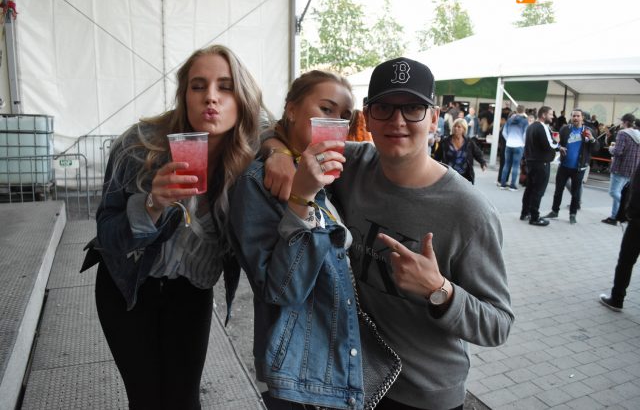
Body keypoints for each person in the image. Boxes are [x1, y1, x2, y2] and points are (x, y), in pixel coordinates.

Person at [262, 57, 514, 410]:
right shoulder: (353, 165)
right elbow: (284, 132)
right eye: (384, 108)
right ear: (367, 117)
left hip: (423, 395)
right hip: (352, 380)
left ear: (434, 118)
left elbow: (498, 324)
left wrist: (439, 290)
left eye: (413, 108)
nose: (397, 121)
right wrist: (276, 151)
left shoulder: (470, 212)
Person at [86, 45, 262, 409]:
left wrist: (280, 156)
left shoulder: (251, 155)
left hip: (191, 290)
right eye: (198, 86)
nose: (211, 97)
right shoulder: (139, 146)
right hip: (129, 284)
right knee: (146, 400)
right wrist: (152, 204)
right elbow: (108, 235)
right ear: (184, 95)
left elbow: (284, 128)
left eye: (225, 86)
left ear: (242, 98)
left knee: (184, 400)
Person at [229, 70, 370, 409]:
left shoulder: (328, 171)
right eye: (326, 109)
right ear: (291, 109)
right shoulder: (257, 183)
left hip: (337, 356)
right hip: (299, 371)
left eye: (344, 116)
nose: (335, 123)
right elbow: (280, 291)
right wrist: (301, 198)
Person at [543, 109, 599, 224]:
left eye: (578, 116)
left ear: (582, 118)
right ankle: (554, 211)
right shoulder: (565, 129)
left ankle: (573, 214)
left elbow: (596, 149)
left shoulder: (589, 131)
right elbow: (558, 143)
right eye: (574, 116)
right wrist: (559, 147)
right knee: (558, 190)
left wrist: (592, 139)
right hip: (564, 166)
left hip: (579, 167)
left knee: (575, 193)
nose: (576, 118)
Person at [599, 163, 640, 311]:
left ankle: (617, 298)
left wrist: (630, 214)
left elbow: (636, 190)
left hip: (637, 222)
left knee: (626, 260)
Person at [520, 106, 558, 226]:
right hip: (541, 163)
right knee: (538, 191)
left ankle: (525, 213)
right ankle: (534, 217)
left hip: (531, 162)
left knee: (530, 189)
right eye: (550, 114)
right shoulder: (542, 127)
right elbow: (549, 145)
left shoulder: (531, 127)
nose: (552, 117)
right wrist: (557, 144)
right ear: (543, 115)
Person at [601, 113, 640, 225]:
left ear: (626, 122)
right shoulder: (638, 134)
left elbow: (618, 151)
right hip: (633, 168)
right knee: (621, 192)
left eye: (622, 121)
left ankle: (628, 207)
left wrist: (611, 148)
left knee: (614, 192)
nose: (621, 124)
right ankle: (614, 217)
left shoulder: (622, 133)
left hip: (620, 167)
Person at [433, 117, 487, 184]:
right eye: (455, 126)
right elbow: (437, 156)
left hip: (464, 176)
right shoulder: (445, 142)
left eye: (459, 127)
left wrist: (482, 163)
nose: (456, 128)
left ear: (464, 129)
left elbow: (477, 153)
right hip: (449, 175)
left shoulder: (469, 142)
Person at [499, 105, 528, 191]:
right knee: (516, 165)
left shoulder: (509, 120)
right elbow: (525, 134)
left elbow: (504, 132)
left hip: (509, 145)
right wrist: (523, 143)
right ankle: (512, 186)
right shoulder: (525, 121)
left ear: (516, 110)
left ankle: (503, 184)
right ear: (524, 111)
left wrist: (508, 139)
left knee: (506, 164)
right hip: (519, 145)